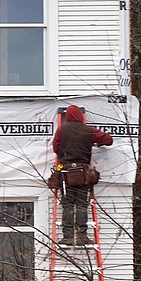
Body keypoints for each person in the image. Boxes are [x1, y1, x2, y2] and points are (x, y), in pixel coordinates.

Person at [52, 105, 113, 246]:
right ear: (80, 116)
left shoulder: (62, 129)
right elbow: (108, 140)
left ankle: (67, 237)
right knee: (81, 205)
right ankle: (82, 236)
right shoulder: (88, 130)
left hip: (65, 174)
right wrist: (95, 142)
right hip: (83, 174)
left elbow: (56, 148)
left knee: (67, 204)